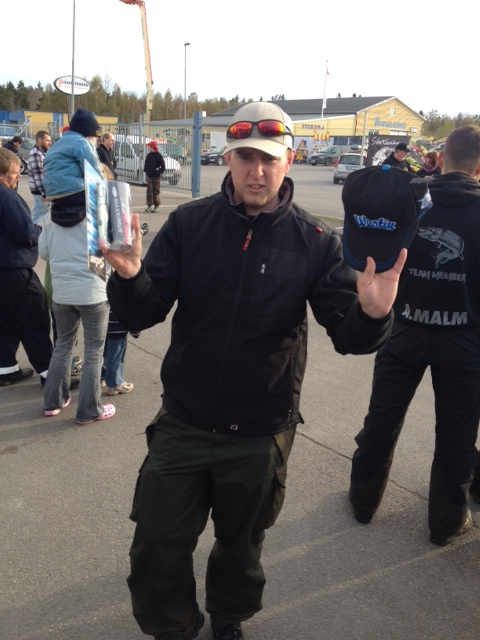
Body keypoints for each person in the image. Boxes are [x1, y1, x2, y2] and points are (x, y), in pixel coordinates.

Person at [105, 101, 406, 640]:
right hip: (184, 421)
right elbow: (145, 312)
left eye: (269, 158)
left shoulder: (316, 241)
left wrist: (372, 314)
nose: (257, 171)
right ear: (229, 158)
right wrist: (129, 278)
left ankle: (228, 619)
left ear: (289, 160)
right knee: (156, 543)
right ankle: (174, 627)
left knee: (240, 546)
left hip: (260, 429)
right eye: (245, 157)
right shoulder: (189, 224)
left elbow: (348, 336)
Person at [349, 124, 480, 547]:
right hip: (464, 341)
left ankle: (363, 502)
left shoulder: (410, 200)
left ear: (442, 159)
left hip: (403, 329)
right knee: (457, 433)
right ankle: (446, 521)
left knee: (382, 420)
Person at [40, 108, 115, 423]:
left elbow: (43, 252)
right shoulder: (96, 211)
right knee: (94, 350)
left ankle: (53, 402)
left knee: (62, 346)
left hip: (62, 294)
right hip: (93, 291)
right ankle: (89, 410)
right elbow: (107, 249)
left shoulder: (51, 214)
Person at [0, 148, 53, 386]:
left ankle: (5, 368)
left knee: (5, 320)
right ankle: (50, 373)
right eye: (14, 172)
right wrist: (40, 230)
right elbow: (25, 233)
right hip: (14, 269)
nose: (17, 177)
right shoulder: (6, 197)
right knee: (35, 318)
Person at [27, 130, 52, 226]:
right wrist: (44, 193)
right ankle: (34, 234)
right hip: (40, 192)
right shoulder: (36, 154)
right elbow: (39, 177)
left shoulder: (41, 153)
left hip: (41, 191)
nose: (49, 143)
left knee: (42, 215)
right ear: (39, 140)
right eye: (47, 140)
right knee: (38, 217)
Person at [143, 141, 165, 212]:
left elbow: (163, 167)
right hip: (149, 176)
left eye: (149, 146)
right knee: (149, 191)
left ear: (152, 147)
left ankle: (156, 205)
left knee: (156, 191)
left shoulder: (159, 156)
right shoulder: (148, 156)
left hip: (156, 177)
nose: (148, 148)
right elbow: (146, 164)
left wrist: (158, 172)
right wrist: (146, 171)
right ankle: (149, 205)